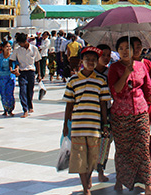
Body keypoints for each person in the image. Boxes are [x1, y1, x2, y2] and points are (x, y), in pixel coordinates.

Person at [107, 36, 151, 195]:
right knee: (123, 149)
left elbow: (149, 89)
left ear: (133, 50)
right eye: (121, 48)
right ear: (117, 51)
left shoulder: (141, 66)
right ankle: (120, 179)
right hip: (120, 115)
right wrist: (125, 73)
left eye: (128, 48)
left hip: (140, 112)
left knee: (143, 148)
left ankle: (147, 185)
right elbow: (115, 90)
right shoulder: (114, 68)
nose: (125, 51)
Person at [63, 46, 111, 195]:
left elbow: (103, 104)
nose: (91, 62)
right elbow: (69, 104)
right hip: (78, 126)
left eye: (94, 60)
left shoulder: (101, 81)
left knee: (92, 158)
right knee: (79, 158)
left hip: (94, 125)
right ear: (82, 61)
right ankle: (85, 189)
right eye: (88, 59)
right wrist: (66, 124)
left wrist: (105, 124)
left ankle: (88, 179)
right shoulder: (73, 80)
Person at [130, 37, 151, 124]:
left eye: (138, 46)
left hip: (147, 103)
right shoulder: (125, 65)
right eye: (133, 47)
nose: (136, 50)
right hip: (131, 105)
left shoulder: (147, 64)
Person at [10, 32, 41, 118]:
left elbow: (37, 61)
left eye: (20, 43)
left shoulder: (34, 49)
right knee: (22, 91)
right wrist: (12, 69)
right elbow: (11, 59)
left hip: (31, 72)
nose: (20, 45)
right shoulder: (17, 50)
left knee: (30, 91)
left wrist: (39, 74)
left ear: (25, 41)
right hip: (22, 72)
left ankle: (29, 104)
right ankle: (25, 109)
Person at [94, 44, 113, 183]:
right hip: (92, 112)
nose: (106, 58)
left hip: (107, 111)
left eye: (108, 55)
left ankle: (101, 169)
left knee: (106, 141)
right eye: (103, 55)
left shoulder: (109, 73)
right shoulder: (90, 73)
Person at [0, 40, 16, 116]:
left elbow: (16, 64)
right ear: (3, 48)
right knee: (3, 94)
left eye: (9, 46)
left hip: (10, 77)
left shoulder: (13, 56)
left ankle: (10, 109)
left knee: (10, 93)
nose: (8, 48)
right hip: (2, 77)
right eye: (7, 46)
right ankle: (5, 109)